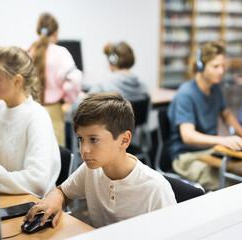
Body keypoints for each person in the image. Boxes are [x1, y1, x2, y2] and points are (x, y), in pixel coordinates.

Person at [24, 92, 176, 228]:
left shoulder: (156, 189)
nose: (83, 149)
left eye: (94, 140)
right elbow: (63, 191)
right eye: (80, 139)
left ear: (124, 140)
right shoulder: (91, 169)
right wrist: (55, 197)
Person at [167, 41, 242, 191]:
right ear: (201, 66)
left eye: (223, 66)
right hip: (186, 157)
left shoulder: (215, 89)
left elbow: (227, 116)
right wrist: (224, 140)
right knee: (231, 183)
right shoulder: (186, 94)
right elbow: (188, 136)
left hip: (211, 150)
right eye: (215, 66)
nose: (221, 71)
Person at [0, 46, 61, 198]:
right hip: (3, 197)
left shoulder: (37, 117)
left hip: (31, 207)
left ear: (17, 81)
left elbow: (37, 182)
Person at [28, 12, 82, 146]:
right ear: (56, 32)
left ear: (37, 30)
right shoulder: (61, 52)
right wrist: (68, 100)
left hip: (29, 108)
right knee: (56, 157)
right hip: (53, 111)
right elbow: (75, 79)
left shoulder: (27, 50)